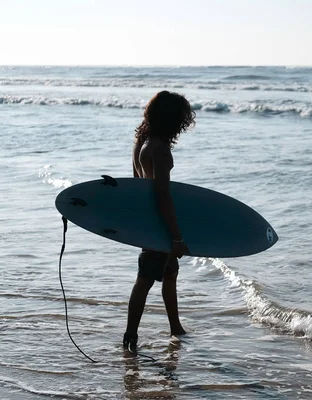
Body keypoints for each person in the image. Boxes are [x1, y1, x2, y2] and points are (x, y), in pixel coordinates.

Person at [123, 91, 196, 353]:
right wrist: (176, 237)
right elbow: (162, 194)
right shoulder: (161, 150)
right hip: (158, 225)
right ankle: (130, 335)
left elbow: (137, 185)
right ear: (174, 120)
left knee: (169, 272)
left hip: (149, 221)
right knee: (145, 278)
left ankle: (175, 327)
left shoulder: (142, 142)